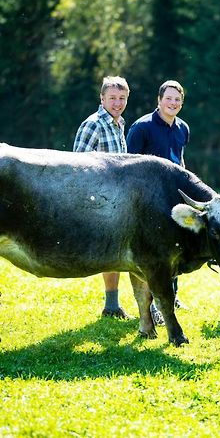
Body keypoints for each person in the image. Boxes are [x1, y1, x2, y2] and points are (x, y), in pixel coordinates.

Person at [126, 80, 190, 323]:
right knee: (151, 253)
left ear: (181, 104)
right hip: (147, 202)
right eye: (169, 98)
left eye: (177, 100)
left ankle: (172, 296)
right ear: (159, 100)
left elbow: (180, 161)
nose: (172, 103)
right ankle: (151, 305)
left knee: (174, 248)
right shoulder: (141, 128)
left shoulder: (183, 128)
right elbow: (129, 166)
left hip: (173, 199)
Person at [73, 75, 130, 319]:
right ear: (102, 98)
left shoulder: (119, 123)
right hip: (99, 198)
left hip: (117, 199)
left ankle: (112, 306)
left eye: (122, 98)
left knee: (116, 251)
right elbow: (78, 164)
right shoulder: (93, 124)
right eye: (112, 98)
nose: (117, 103)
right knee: (111, 251)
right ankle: (111, 305)